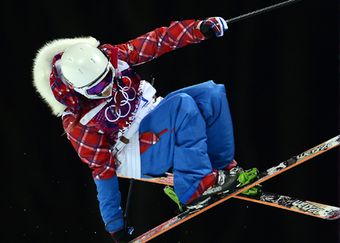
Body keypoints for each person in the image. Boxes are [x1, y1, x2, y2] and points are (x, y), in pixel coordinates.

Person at [32, 17, 245, 242]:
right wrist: (115, 225)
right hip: (134, 152)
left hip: (153, 118)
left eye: (107, 78)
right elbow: (102, 171)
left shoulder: (115, 57)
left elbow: (156, 41)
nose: (105, 89)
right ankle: (194, 189)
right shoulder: (78, 120)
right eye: (95, 88)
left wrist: (198, 29)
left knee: (210, 93)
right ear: (76, 88)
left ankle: (221, 167)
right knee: (183, 105)